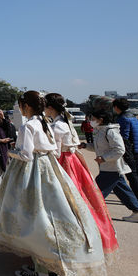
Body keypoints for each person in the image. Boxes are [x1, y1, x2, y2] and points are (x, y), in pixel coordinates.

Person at [0, 91, 106, 276]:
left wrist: (11, 150)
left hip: (30, 171)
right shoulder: (46, 124)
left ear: (26, 106)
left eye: (20, 105)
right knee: (53, 214)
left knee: (33, 217)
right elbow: (54, 149)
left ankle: (41, 273)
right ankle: (48, 267)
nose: (20, 109)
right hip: (50, 169)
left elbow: (26, 155)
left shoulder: (28, 126)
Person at [45, 93, 119, 258]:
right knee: (84, 199)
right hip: (73, 161)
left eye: (45, 107)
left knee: (71, 202)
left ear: (50, 108)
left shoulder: (57, 126)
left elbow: (56, 153)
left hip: (65, 162)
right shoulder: (66, 122)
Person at [90, 109, 138, 222]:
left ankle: (89, 215)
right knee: (124, 192)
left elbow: (119, 149)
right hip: (109, 168)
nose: (91, 121)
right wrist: (85, 145)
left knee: (96, 192)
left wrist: (104, 158)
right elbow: (99, 147)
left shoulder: (110, 132)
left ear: (101, 120)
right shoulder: (100, 131)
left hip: (111, 168)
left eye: (93, 119)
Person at [113, 98, 138, 200]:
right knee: (137, 172)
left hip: (130, 150)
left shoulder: (123, 118)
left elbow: (124, 137)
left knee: (131, 174)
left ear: (116, 107)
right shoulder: (134, 116)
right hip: (137, 148)